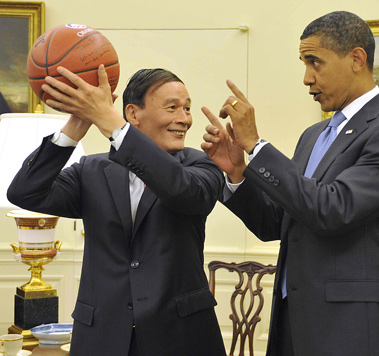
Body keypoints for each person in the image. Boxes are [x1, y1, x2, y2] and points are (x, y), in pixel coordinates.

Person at [201, 11, 379, 356]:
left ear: (356, 59)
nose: (307, 78)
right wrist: (238, 172)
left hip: (351, 328)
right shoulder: (314, 135)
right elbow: (276, 221)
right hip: (294, 322)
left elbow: (332, 210)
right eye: (304, 63)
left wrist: (258, 147)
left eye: (314, 62)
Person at [8, 67, 227, 356]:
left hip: (181, 337)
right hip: (101, 337)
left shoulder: (201, 167)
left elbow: (182, 192)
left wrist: (111, 123)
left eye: (186, 108)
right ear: (133, 114)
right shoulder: (91, 170)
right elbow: (25, 191)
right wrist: (76, 125)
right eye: (172, 107)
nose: (184, 118)